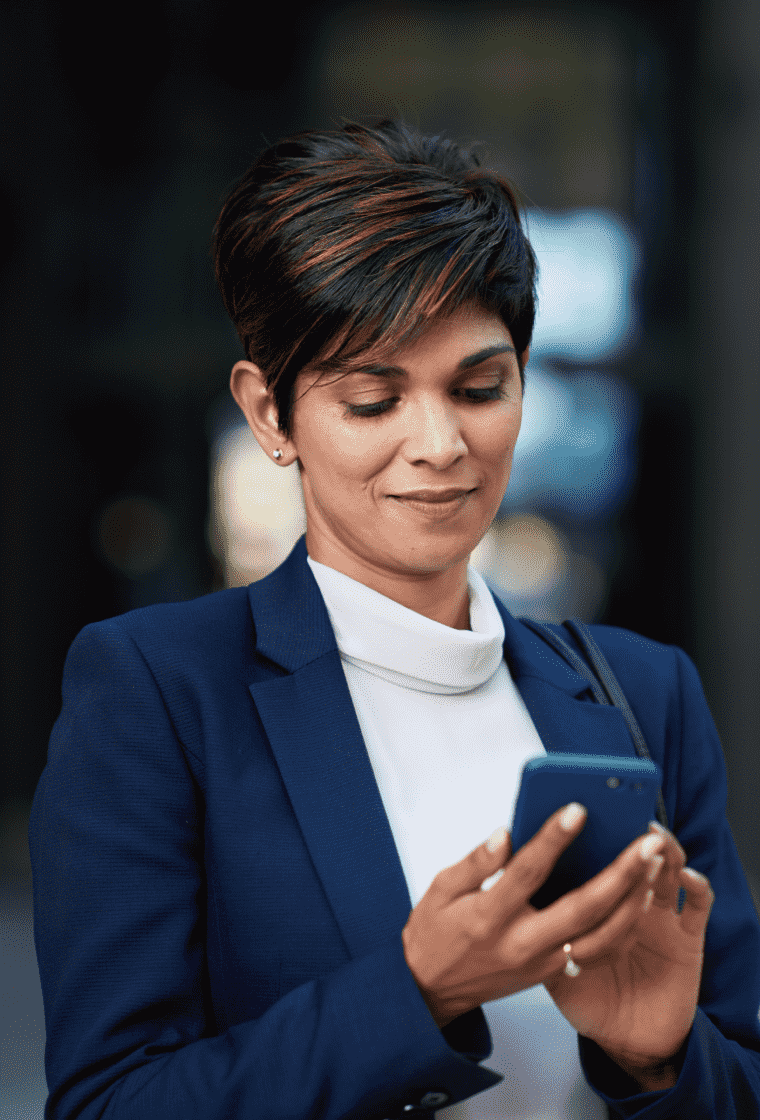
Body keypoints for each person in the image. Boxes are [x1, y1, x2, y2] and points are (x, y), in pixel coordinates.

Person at [29, 119, 760, 1120]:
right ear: (268, 414)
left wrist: (663, 1059)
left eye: (479, 387)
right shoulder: (160, 693)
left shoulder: (645, 694)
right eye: (373, 397)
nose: (440, 443)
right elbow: (111, 1105)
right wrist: (414, 989)